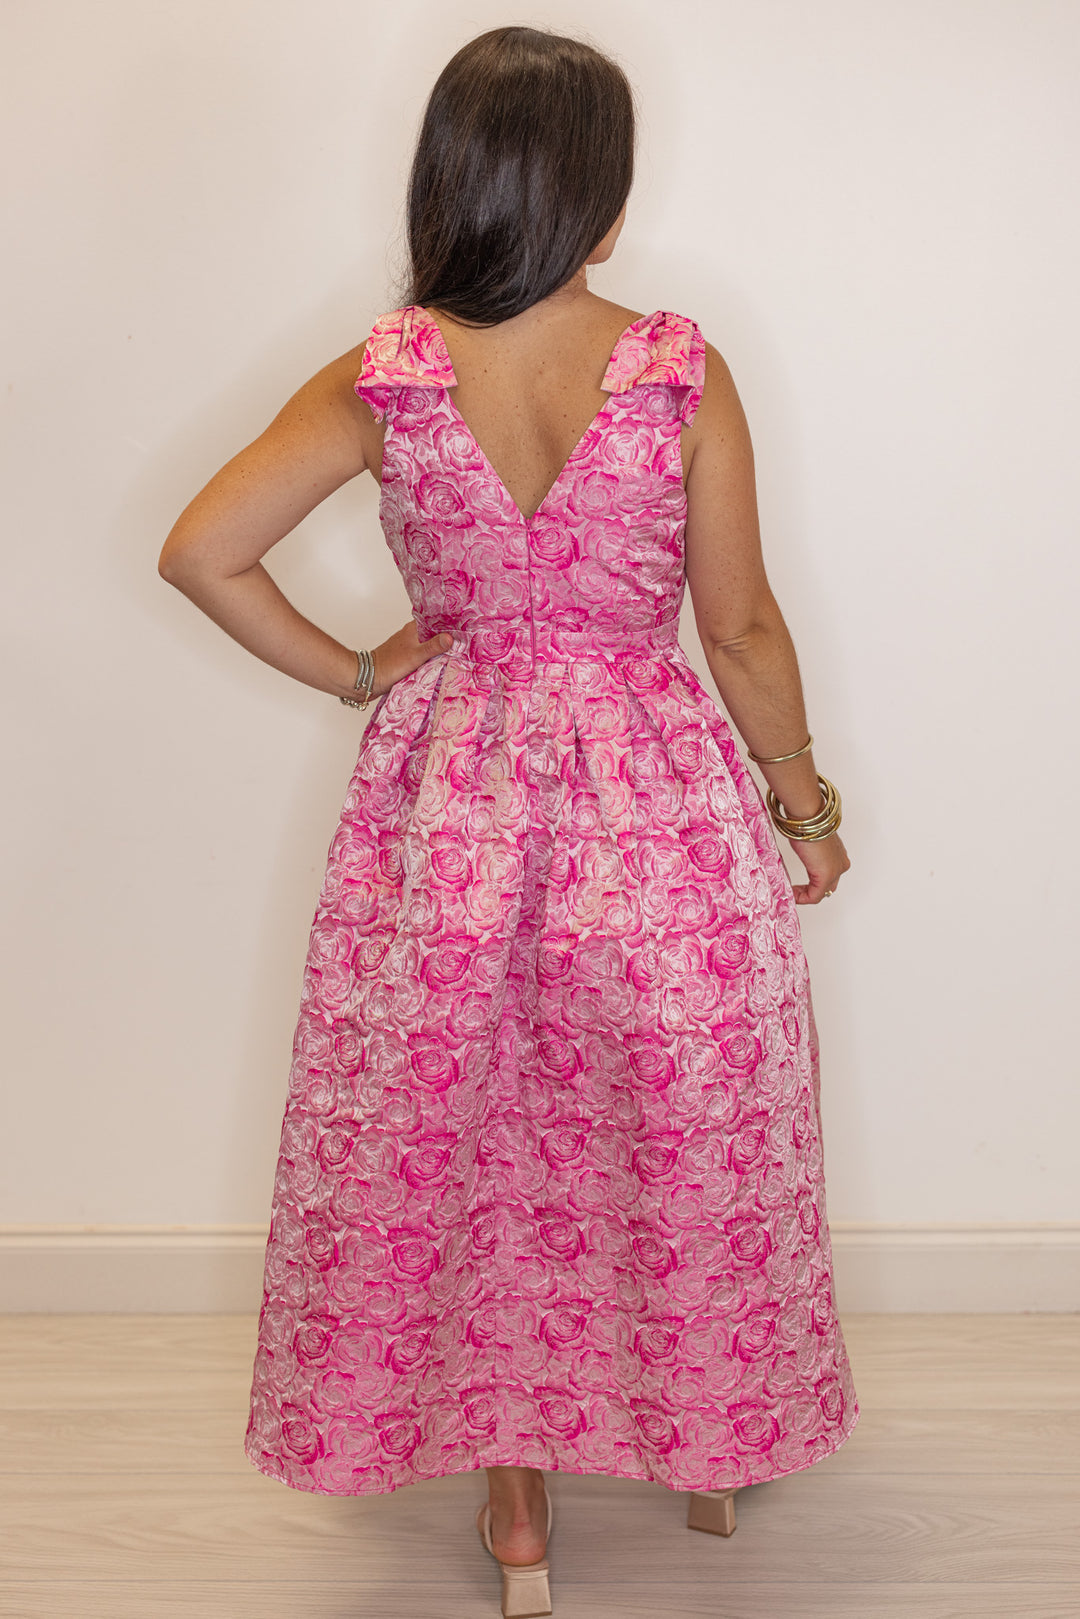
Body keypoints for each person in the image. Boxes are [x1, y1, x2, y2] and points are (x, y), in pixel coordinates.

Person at [159, 23, 857, 1617]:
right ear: (596, 195)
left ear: (455, 181)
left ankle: (519, 1515)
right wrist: (807, 805)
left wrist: (360, 671)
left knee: (470, 1143)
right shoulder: (673, 367)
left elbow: (202, 550)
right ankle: (705, 1450)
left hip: (450, 821)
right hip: (655, 821)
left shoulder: (389, 374)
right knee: (682, 1122)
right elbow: (742, 627)